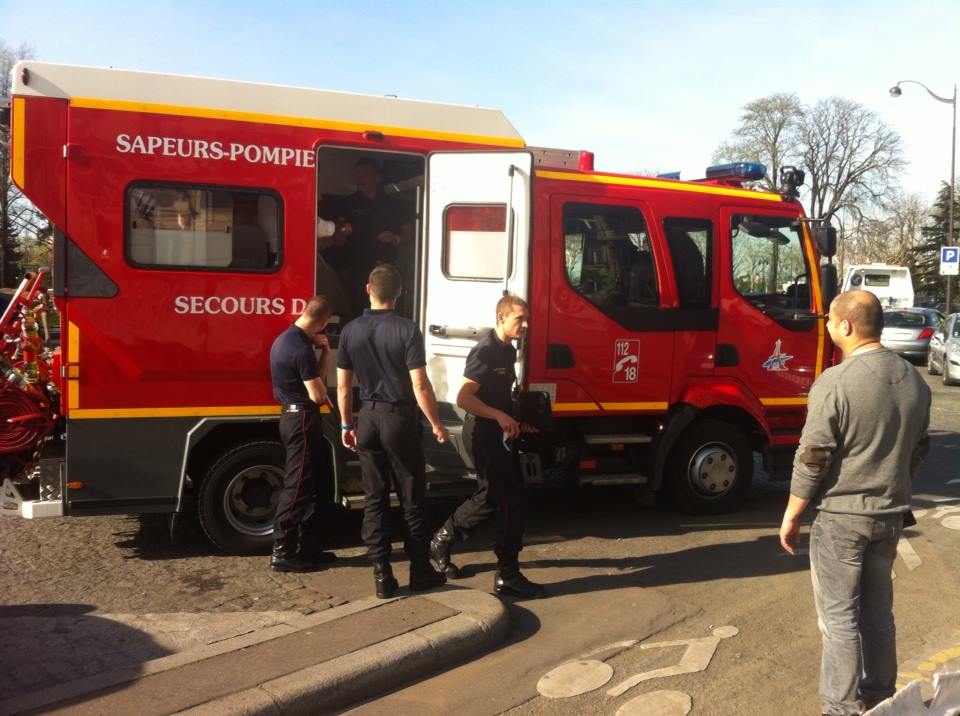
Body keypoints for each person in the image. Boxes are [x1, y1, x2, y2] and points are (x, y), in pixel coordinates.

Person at [779, 290, 931, 716]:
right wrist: (896, 485)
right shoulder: (914, 381)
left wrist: (793, 513)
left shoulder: (835, 382)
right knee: (879, 613)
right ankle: (881, 696)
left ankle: (841, 708)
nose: (826, 327)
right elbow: (920, 448)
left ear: (846, 326)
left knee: (840, 619)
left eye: (829, 321)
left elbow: (813, 455)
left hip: (842, 519)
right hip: (889, 517)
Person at [336, 264, 448, 598]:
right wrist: (436, 423)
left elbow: (343, 387)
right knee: (412, 496)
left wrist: (346, 424)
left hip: (367, 418)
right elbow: (420, 384)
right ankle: (420, 570)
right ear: (399, 292)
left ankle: (382, 574)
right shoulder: (407, 329)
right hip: (398, 419)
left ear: (368, 288)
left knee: (374, 499)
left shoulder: (350, 331)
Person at [429, 295, 547, 599]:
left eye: (527, 318)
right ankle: (507, 574)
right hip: (483, 432)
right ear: (501, 318)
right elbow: (464, 398)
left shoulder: (508, 350)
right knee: (511, 501)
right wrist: (498, 416)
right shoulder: (485, 351)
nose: (525, 324)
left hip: (500, 432)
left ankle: (442, 539)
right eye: (519, 318)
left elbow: (501, 397)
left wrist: (518, 420)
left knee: (490, 497)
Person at [268, 296, 340, 573]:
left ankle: (307, 547)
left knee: (313, 484)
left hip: (294, 416)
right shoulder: (299, 348)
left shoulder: (287, 339)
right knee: (297, 486)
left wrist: (325, 353)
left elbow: (315, 383)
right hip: (302, 420)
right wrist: (323, 354)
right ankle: (282, 552)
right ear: (322, 322)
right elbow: (319, 394)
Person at [322, 158, 411, 315]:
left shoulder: (393, 204)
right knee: (358, 313)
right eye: (358, 173)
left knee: (388, 314)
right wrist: (340, 232)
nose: (360, 177)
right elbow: (334, 239)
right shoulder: (345, 204)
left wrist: (395, 238)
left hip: (386, 269)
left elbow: (410, 232)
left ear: (377, 178)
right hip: (356, 270)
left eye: (365, 173)